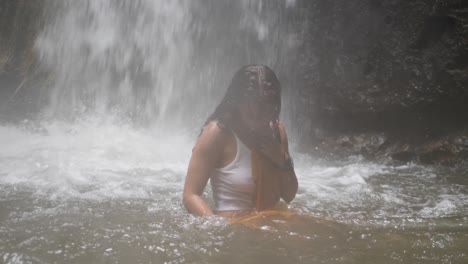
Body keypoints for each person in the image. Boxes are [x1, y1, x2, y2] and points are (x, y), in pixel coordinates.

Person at [183, 65, 298, 218]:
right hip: (234, 228)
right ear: (236, 103)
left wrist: (282, 160)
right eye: (252, 110)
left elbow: (289, 196)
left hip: (270, 224)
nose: (258, 116)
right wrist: (217, 226)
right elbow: (190, 196)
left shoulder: (277, 130)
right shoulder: (217, 133)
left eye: (265, 109)